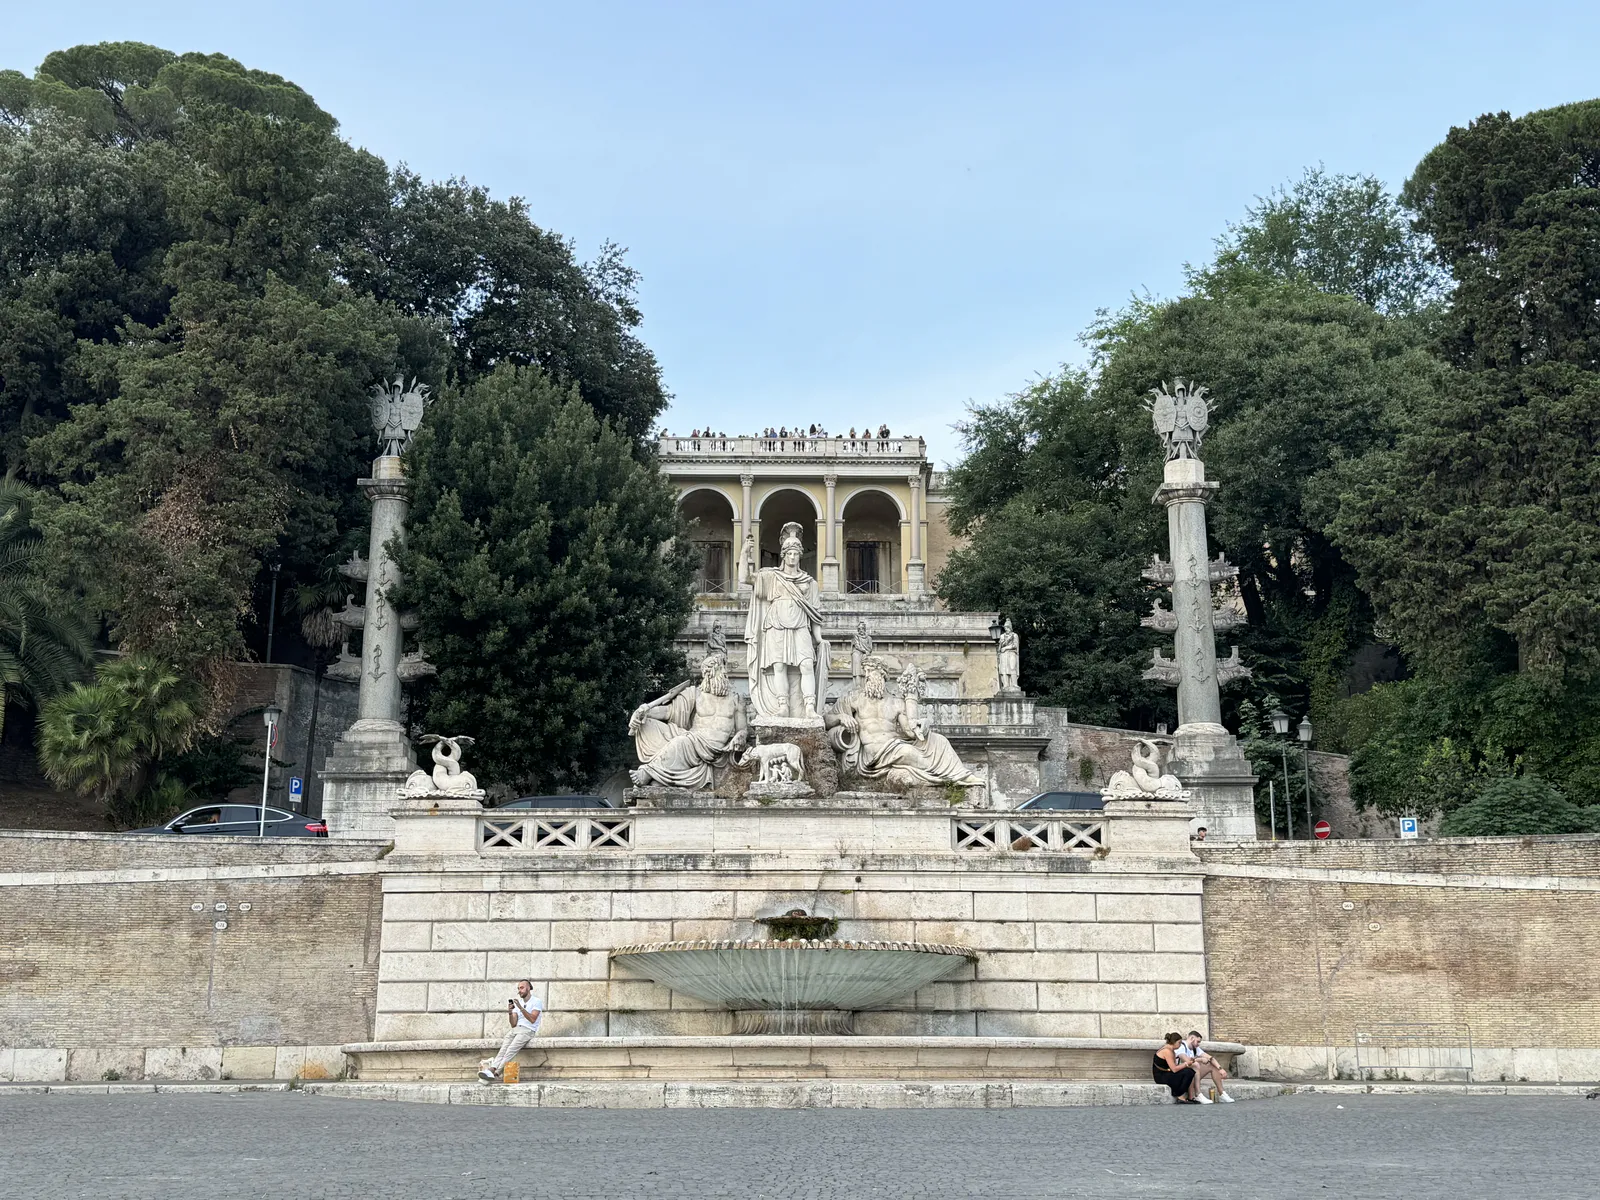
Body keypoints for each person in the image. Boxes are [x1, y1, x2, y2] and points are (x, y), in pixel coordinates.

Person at [478, 978, 542, 1082]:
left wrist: (521, 1008)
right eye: (518, 988)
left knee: (510, 1051)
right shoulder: (518, 1003)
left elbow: (532, 1019)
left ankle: (494, 1071)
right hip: (515, 1030)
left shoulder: (536, 1001)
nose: (519, 990)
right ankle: (492, 1072)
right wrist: (510, 1012)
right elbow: (513, 1024)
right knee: (503, 1050)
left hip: (527, 1030)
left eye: (521, 988)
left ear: (529, 988)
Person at [1176, 1031, 1233, 1101]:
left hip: (1190, 1076)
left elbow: (1210, 1058)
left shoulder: (1195, 1048)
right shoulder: (1181, 1046)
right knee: (1195, 1066)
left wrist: (1220, 1068)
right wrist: (1200, 1059)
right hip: (1181, 1077)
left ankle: (1222, 1094)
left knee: (1212, 1066)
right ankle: (1197, 1094)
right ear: (1192, 1038)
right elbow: (1187, 1062)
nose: (1198, 1044)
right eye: (1198, 1041)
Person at [1152, 1031, 1201, 1103]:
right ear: (1174, 1042)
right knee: (1188, 1072)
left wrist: (1188, 1062)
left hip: (1167, 1073)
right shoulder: (1167, 1051)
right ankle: (1179, 1094)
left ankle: (1184, 1095)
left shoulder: (1171, 1051)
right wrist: (1186, 1064)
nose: (1180, 1045)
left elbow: (1175, 1066)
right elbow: (1174, 1069)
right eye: (1179, 1043)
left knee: (1189, 1071)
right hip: (1161, 1076)